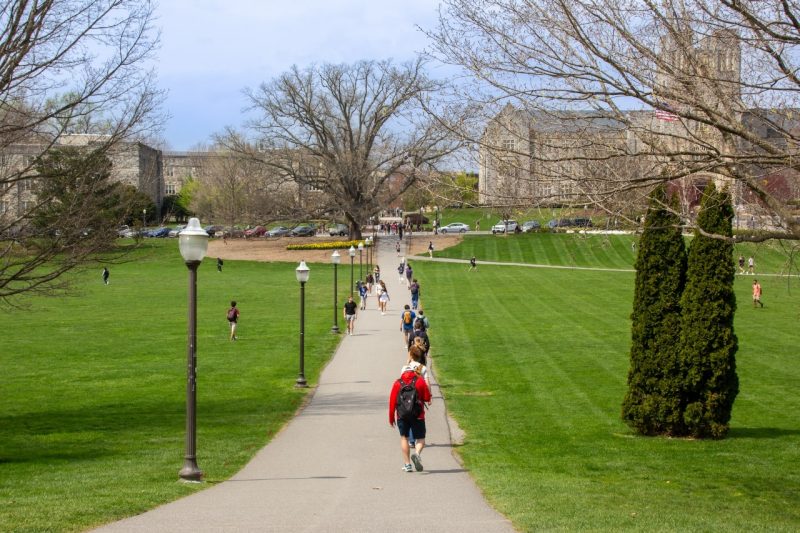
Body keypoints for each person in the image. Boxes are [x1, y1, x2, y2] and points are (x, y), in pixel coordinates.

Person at [389, 349, 432, 473]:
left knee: (404, 438)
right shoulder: (419, 381)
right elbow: (427, 397)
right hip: (417, 414)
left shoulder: (397, 383)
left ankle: (407, 464)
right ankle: (417, 454)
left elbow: (392, 402)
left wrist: (391, 418)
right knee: (421, 439)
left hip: (402, 415)